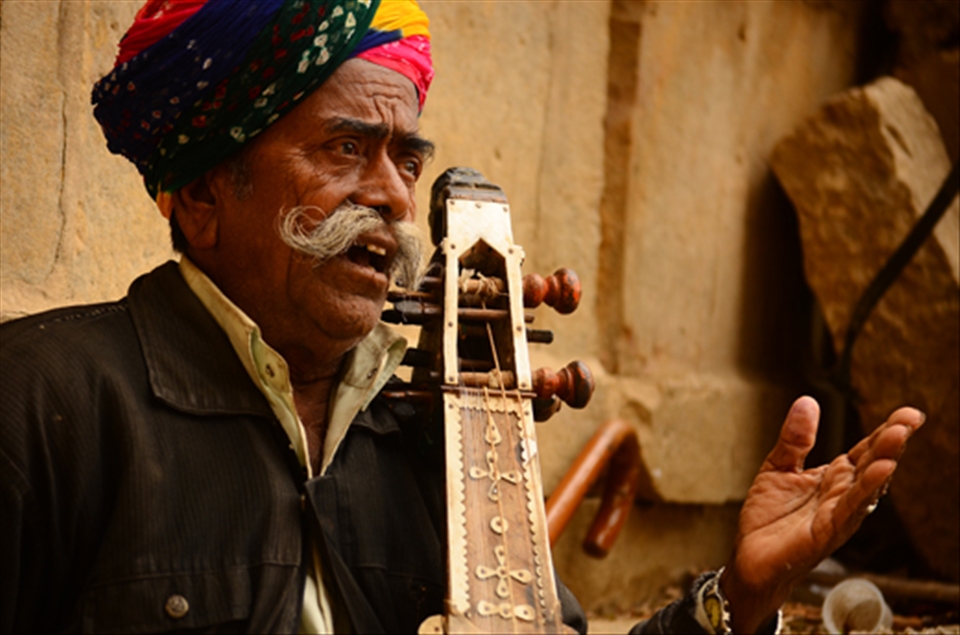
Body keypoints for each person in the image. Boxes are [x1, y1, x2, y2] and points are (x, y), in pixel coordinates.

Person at [0, 1, 924, 633]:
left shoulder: (442, 441)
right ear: (203, 192)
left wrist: (739, 596)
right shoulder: (48, 402)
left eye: (407, 158)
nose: (396, 199)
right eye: (346, 149)